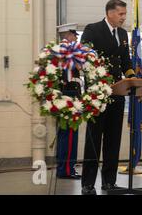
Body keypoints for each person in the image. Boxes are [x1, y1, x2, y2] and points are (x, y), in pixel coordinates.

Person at [80, 0, 136, 195]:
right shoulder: (92, 30)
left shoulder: (122, 34)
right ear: (110, 13)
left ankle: (109, 182)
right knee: (94, 139)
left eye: (124, 14)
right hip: (97, 94)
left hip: (117, 93)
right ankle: (87, 184)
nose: (123, 18)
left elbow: (125, 61)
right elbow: (84, 57)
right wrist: (98, 82)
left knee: (113, 139)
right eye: (121, 14)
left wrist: (132, 78)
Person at [55, 23, 82, 180]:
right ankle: (66, 169)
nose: (75, 39)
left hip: (70, 97)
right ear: (66, 36)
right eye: (73, 36)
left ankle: (65, 167)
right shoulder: (64, 53)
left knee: (67, 134)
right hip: (68, 97)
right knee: (69, 135)